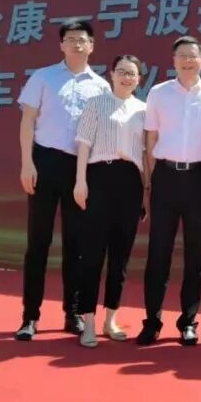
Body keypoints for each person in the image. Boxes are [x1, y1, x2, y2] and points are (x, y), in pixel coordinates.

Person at [14, 20, 111, 341]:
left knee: (76, 244)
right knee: (38, 242)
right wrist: (27, 163)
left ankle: (73, 313)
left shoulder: (101, 87)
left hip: (80, 170)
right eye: (70, 39)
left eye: (82, 40)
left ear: (92, 45)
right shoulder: (43, 77)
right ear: (61, 45)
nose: (76, 44)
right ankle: (30, 316)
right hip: (44, 162)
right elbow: (28, 120)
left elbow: (102, 133)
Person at [136, 36, 201, 346]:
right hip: (165, 176)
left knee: (196, 253)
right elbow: (150, 140)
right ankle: (152, 321)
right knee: (158, 251)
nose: (188, 61)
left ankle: (188, 321)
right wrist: (149, 182)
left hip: (200, 177)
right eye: (182, 56)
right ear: (173, 60)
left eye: (193, 56)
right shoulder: (159, 93)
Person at [72, 54, 149, 348]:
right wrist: (81, 181)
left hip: (130, 181)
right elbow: (83, 144)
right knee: (92, 254)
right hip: (99, 178)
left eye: (132, 73)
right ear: (111, 74)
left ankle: (111, 319)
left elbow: (145, 154)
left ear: (139, 79)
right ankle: (88, 321)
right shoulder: (97, 103)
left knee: (120, 256)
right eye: (122, 72)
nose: (127, 77)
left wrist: (146, 192)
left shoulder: (144, 110)